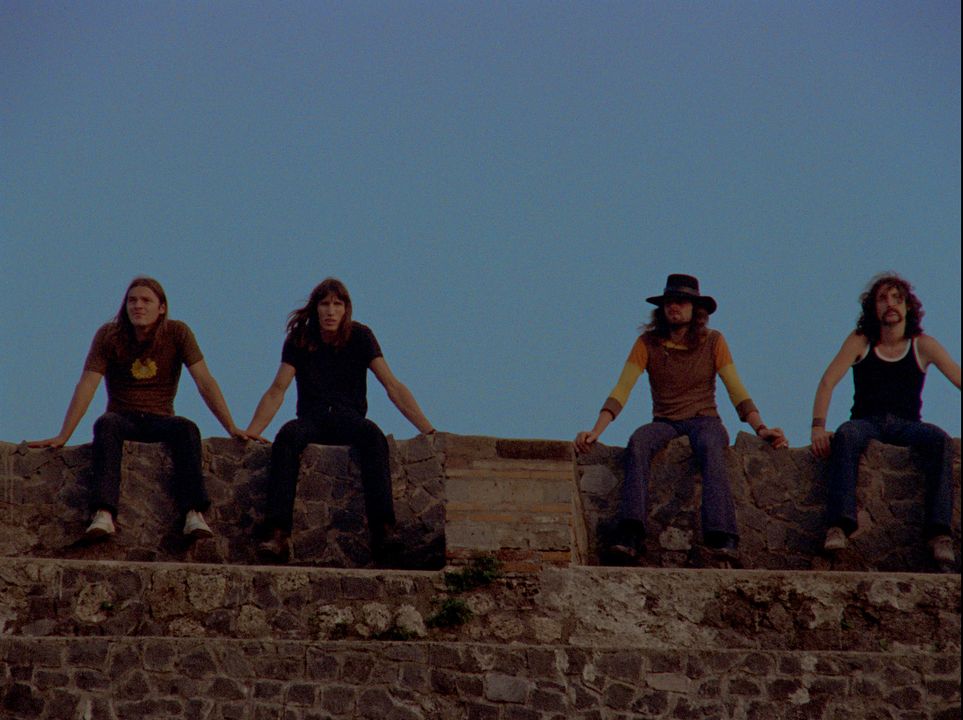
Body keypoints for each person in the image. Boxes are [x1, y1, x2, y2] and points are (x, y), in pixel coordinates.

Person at [574, 274, 788, 564]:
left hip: (704, 418)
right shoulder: (647, 343)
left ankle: (722, 535)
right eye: (669, 302)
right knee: (639, 441)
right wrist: (596, 430)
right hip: (665, 421)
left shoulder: (713, 341)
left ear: (695, 309)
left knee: (712, 446)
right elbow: (622, 388)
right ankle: (631, 533)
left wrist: (761, 428)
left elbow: (735, 388)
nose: (674, 307)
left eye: (682, 302)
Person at [28, 276, 251, 540]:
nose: (138, 306)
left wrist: (231, 427)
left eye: (146, 300)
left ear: (162, 307)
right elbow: (88, 384)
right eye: (132, 300)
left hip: (160, 417)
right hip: (123, 417)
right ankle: (104, 515)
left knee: (187, 428)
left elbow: (205, 381)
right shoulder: (109, 335)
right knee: (105, 423)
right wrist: (64, 434)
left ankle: (193, 514)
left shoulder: (177, 333)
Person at [245, 277, 435, 564]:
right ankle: (278, 534)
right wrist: (252, 432)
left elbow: (392, 385)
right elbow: (277, 389)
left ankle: (384, 530)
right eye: (324, 304)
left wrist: (428, 430)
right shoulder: (300, 339)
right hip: (312, 418)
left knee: (374, 437)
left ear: (346, 309)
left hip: (349, 418)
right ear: (315, 309)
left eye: (337, 304)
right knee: (286, 437)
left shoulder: (360, 336)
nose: (330, 311)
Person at [810, 273, 960, 564]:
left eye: (897, 298)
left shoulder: (922, 345)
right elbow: (828, 381)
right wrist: (818, 428)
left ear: (907, 308)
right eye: (882, 298)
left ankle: (939, 535)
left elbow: (957, 376)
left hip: (908, 425)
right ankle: (839, 527)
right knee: (846, 435)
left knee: (940, 440)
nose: (890, 304)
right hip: (867, 421)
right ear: (874, 308)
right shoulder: (860, 341)